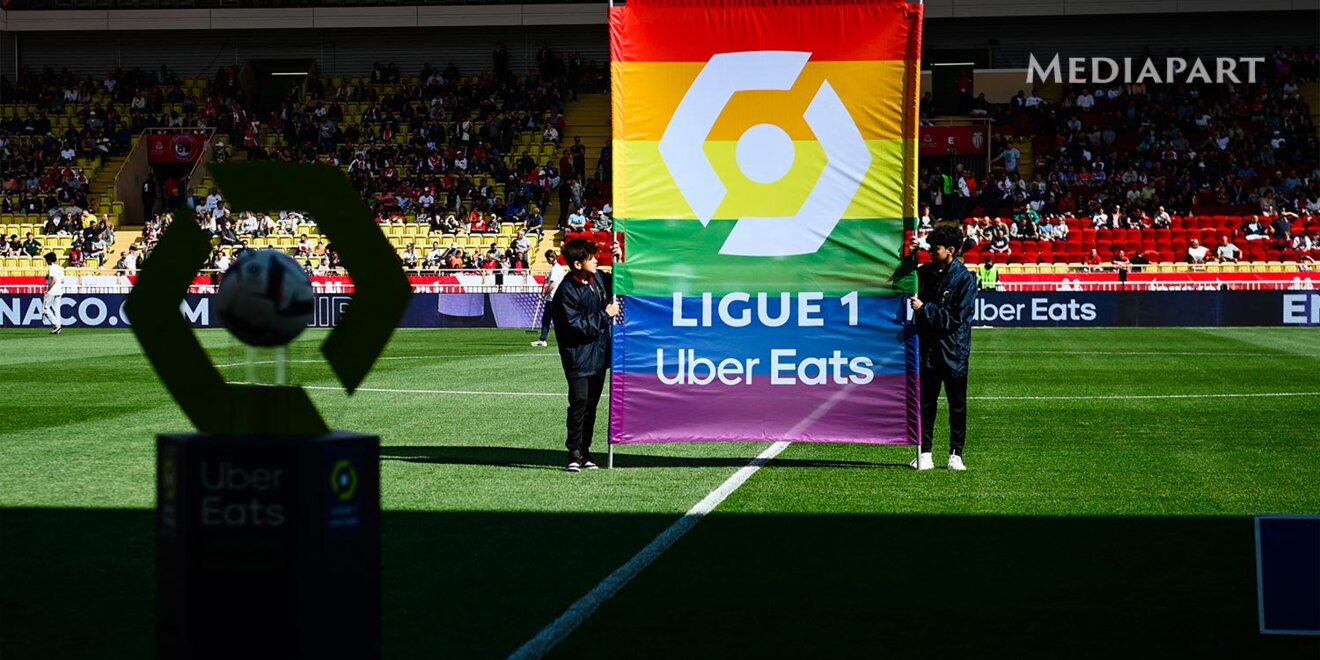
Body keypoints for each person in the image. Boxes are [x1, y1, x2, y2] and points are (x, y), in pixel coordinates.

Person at [909, 225, 977, 471]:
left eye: (934, 248)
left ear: (949, 250)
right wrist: (910, 256)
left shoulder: (965, 279)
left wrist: (924, 308)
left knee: (957, 404)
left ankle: (956, 454)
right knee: (926, 403)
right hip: (928, 350)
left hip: (954, 351)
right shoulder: (925, 272)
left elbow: (956, 318)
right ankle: (925, 452)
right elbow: (902, 278)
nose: (930, 252)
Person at [550, 238, 619, 472]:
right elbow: (575, 326)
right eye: (591, 258)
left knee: (592, 405)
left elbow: (620, 281)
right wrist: (605, 315)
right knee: (579, 403)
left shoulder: (598, 278)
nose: (596, 260)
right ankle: (573, 452)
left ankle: (586, 451)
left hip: (599, 355)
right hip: (577, 357)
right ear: (578, 264)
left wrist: (619, 258)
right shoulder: (566, 292)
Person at [531, 248, 566, 347]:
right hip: (556, 298)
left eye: (548, 258)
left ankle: (543, 339)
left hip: (553, 298)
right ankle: (544, 338)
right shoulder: (558, 268)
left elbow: (553, 284)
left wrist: (544, 294)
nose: (547, 260)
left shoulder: (555, 269)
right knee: (551, 319)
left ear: (551, 257)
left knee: (548, 319)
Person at [43, 253, 64, 335]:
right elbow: (62, 280)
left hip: (52, 291)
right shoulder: (60, 268)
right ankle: (58, 328)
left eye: (46, 260)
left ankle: (56, 325)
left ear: (49, 260)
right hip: (59, 290)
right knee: (57, 311)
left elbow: (54, 280)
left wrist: (48, 289)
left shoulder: (51, 267)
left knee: (45, 308)